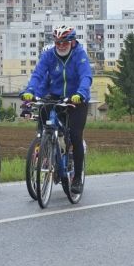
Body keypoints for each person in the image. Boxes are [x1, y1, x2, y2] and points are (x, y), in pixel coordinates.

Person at [20, 25, 92, 194]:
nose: (61, 45)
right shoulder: (48, 55)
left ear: (72, 42)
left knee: (75, 135)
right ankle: (50, 149)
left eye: (64, 42)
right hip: (55, 96)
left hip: (76, 99)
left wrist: (81, 93)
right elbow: (38, 75)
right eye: (58, 42)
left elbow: (86, 76)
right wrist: (30, 91)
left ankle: (76, 178)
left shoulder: (79, 55)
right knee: (45, 122)